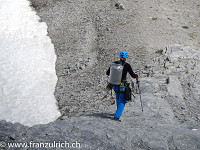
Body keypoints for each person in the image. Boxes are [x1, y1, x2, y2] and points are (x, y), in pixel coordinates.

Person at [106, 51, 139, 122]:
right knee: (123, 100)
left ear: (120, 56)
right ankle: (116, 117)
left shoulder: (113, 64)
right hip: (122, 85)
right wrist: (136, 76)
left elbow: (107, 73)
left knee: (118, 98)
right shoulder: (127, 65)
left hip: (115, 85)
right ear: (126, 58)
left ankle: (118, 112)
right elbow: (132, 75)